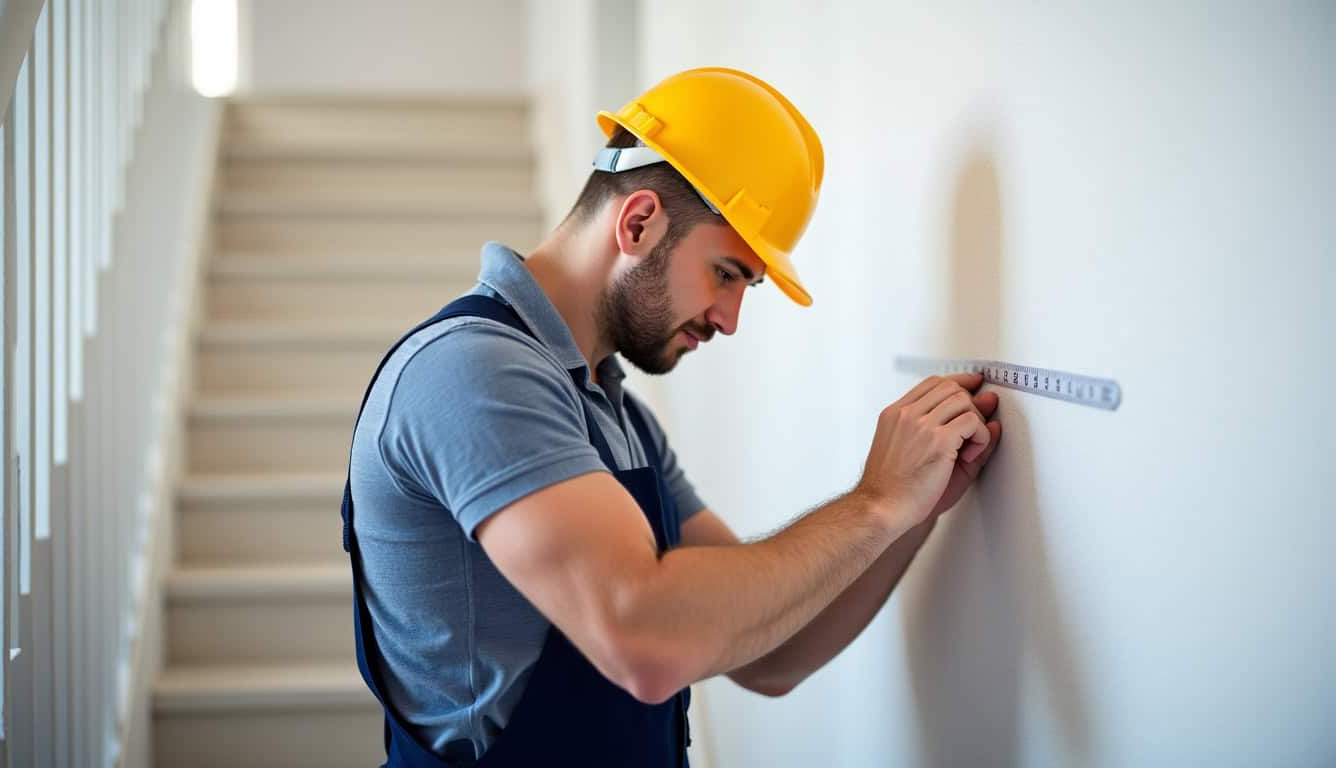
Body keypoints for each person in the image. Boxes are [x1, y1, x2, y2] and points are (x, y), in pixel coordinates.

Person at [342, 66, 1002, 768]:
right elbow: (646, 643)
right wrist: (873, 502)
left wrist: (911, 510)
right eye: (727, 274)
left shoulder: (614, 415)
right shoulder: (473, 374)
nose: (730, 318)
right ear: (638, 222)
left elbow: (770, 652)